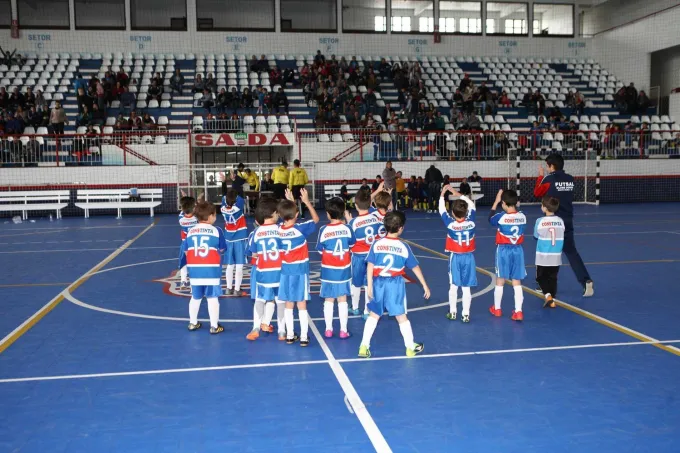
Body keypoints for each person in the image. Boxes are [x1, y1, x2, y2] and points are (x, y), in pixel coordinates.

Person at [358, 211, 430, 358]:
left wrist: (369, 285)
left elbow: (370, 265)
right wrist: (424, 285)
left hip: (378, 283)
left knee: (374, 315)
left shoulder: (377, 244)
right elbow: (415, 267)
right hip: (395, 285)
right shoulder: (403, 247)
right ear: (401, 228)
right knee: (401, 316)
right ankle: (410, 347)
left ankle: (363, 346)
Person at [534, 153, 594, 297]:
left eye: (547, 166)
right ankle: (585, 280)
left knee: (545, 253)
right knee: (571, 252)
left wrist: (540, 176)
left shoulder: (549, 179)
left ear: (551, 166)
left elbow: (537, 192)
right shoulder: (570, 179)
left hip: (551, 222)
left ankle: (543, 285)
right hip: (567, 220)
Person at [278, 189, 320, 347]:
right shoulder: (300, 229)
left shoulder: (279, 230)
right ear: (296, 215)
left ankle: (289, 335)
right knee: (301, 303)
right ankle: (303, 336)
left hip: (286, 271)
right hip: (300, 271)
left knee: (289, 303)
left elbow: (286, 217)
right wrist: (307, 202)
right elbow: (315, 219)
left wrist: (290, 202)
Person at [182, 200, 226, 334]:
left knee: (195, 297)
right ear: (211, 215)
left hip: (195, 270)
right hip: (211, 270)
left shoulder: (190, 231)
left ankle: (192, 323)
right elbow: (223, 249)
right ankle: (214, 326)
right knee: (212, 297)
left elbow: (185, 250)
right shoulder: (216, 231)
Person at [247, 198, 286, 341]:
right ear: (274, 214)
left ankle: (255, 328)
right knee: (280, 301)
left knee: (260, 299)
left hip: (263, 272)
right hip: (280, 272)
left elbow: (254, 254)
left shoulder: (255, 233)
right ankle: (282, 331)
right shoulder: (281, 230)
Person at [316, 198, 356, 338]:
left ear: (327, 213)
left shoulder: (324, 230)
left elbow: (320, 250)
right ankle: (343, 330)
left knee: (329, 299)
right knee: (342, 299)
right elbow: (351, 245)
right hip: (343, 270)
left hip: (328, 270)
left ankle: (328, 329)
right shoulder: (348, 229)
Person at [439, 186, 477, 323]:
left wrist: (443, 194)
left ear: (453, 214)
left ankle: (453, 312)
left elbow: (441, 210)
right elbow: (472, 204)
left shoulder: (450, 225)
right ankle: (466, 314)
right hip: (469, 257)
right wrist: (458, 194)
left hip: (456, 257)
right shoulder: (471, 222)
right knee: (466, 288)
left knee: (453, 286)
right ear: (466, 212)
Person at [488, 189, 527, 322]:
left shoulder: (501, 217)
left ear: (503, 203)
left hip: (504, 250)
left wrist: (495, 202)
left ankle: (497, 308)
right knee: (517, 281)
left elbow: (490, 219)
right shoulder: (523, 216)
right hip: (518, 250)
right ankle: (518, 311)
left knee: (500, 279)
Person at [348, 189, 386, 318]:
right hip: (371, 257)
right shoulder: (375, 219)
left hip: (358, 257)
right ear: (371, 204)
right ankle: (366, 311)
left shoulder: (353, 223)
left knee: (356, 283)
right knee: (368, 283)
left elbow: (350, 241)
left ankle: (354, 307)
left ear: (356, 205)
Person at [533, 196, 565, 308]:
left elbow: (536, 235)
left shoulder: (540, 221)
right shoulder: (560, 221)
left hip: (543, 255)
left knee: (540, 277)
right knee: (553, 277)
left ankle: (548, 296)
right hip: (556, 255)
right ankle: (553, 297)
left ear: (545, 208)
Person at [220, 189, 248, 297]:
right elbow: (240, 197)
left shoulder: (223, 208)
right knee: (239, 265)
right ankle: (237, 289)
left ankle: (228, 287)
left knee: (230, 265)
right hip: (239, 237)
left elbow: (224, 197)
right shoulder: (238, 207)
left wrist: (224, 185)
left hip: (228, 238)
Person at [178, 196, 198, 289]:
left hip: (185, 243)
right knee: (194, 263)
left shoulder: (181, 218)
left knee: (184, 263)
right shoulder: (196, 219)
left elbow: (184, 209)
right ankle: (193, 283)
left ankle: (183, 281)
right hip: (195, 243)